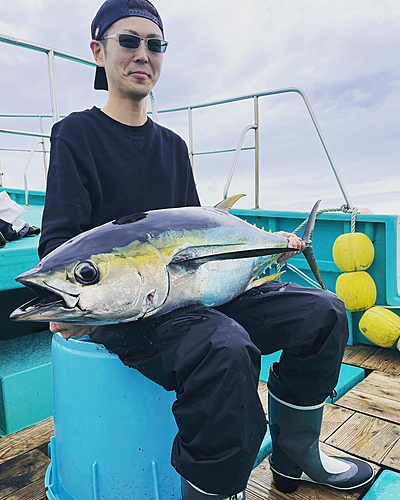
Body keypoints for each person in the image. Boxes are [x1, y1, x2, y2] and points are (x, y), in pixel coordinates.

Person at [38, 1, 374, 498]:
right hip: (130, 310)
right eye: (128, 40)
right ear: (98, 50)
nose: (142, 54)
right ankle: (214, 490)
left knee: (323, 311)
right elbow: (59, 244)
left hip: (193, 296)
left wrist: (261, 256)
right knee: (225, 349)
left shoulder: (173, 145)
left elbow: (200, 235)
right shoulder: (76, 134)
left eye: (155, 45)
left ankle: (296, 453)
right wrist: (78, 298)